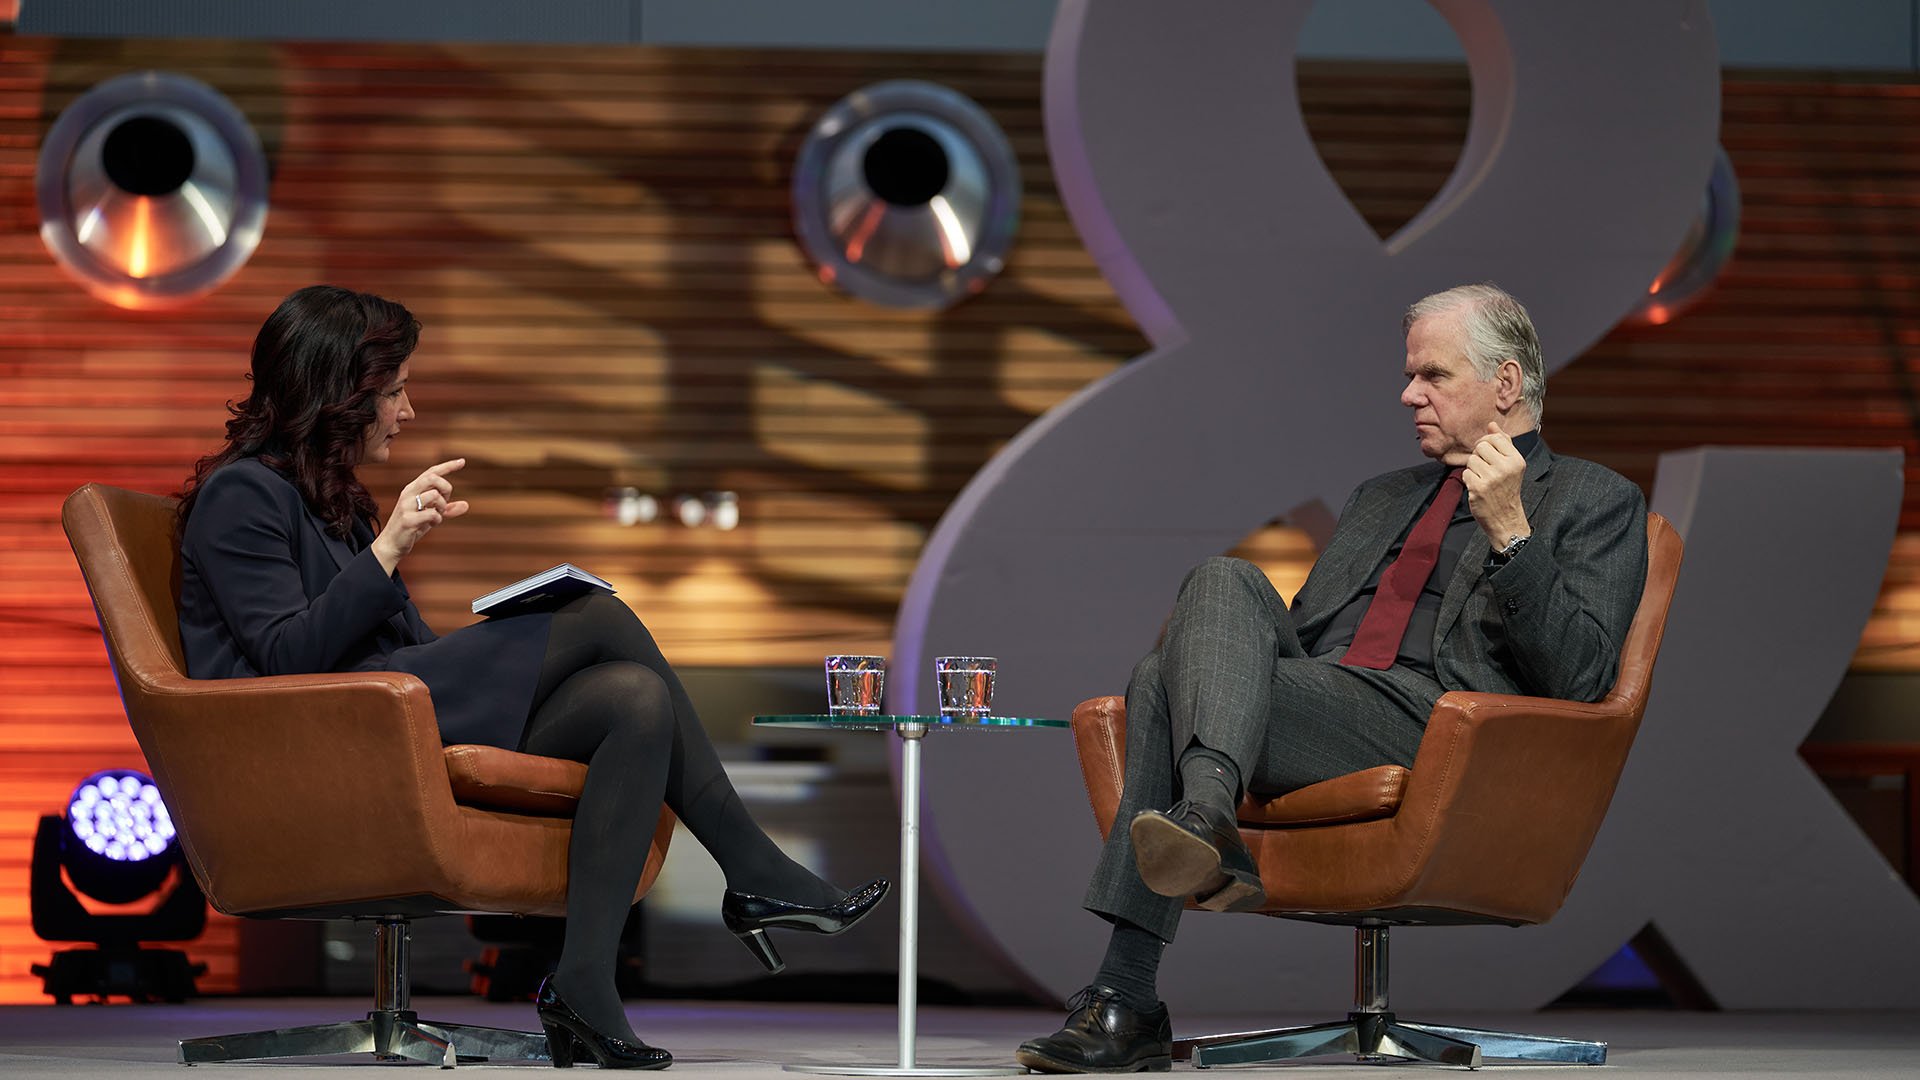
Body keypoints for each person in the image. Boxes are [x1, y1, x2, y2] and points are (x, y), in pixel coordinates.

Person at [175, 285, 888, 1070]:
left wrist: (467, 619)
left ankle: (583, 983)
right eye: (396, 391)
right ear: (342, 397)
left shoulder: (332, 499)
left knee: (634, 700)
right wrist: (388, 552)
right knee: (596, 616)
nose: (407, 411)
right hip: (330, 739)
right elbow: (285, 658)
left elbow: (399, 640)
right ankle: (753, 867)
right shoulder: (240, 494)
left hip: (387, 710)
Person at [1014, 283, 1648, 1073]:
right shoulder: (1379, 498)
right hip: (1326, 701)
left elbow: (1583, 679)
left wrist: (1513, 533)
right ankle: (1207, 810)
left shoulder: (1595, 500)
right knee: (1221, 578)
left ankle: (1127, 996)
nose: (1408, 393)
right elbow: (1299, 639)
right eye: (1411, 374)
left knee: (1158, 679)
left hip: (1438, 727)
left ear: (1507, 385)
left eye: (1433, 376)